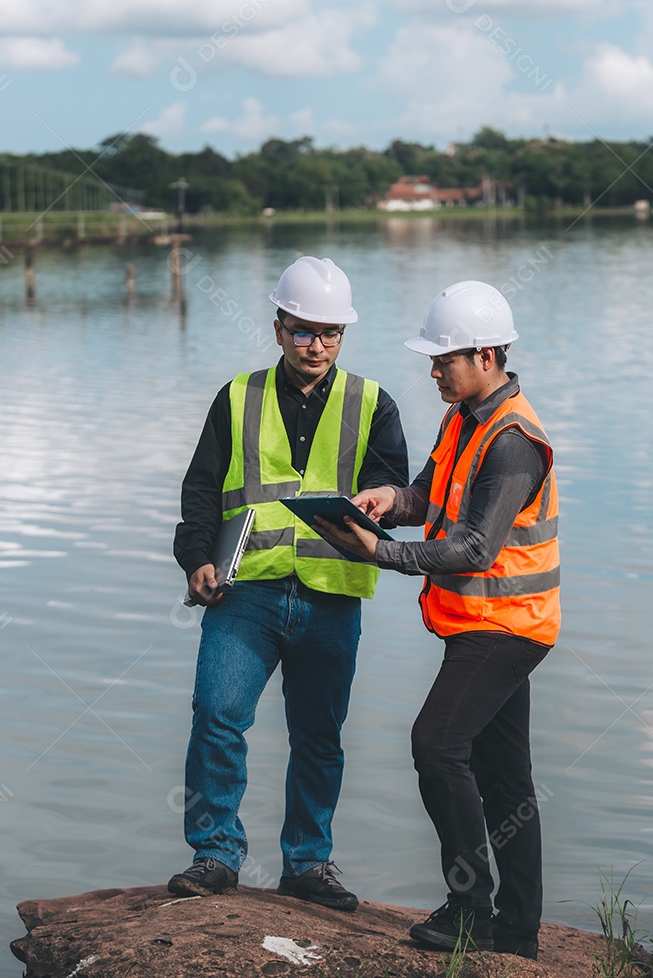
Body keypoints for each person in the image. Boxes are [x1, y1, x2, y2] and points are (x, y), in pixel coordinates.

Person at [317, 280, 560, 958]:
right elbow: (428, 494)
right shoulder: (465, 417)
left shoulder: (513, 441)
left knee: (436, 744)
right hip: (483, 622)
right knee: (504, 778)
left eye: (442, 359)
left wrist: (379, 552)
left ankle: (470, 910)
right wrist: (387, 500)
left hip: (507, 626)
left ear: (486, 356)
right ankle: (517, 934)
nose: (432, 371)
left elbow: (476, 548)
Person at [168, 255, 409, 911]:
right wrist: (196, 559)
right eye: (303, 330)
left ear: (343, 334)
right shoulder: (237, 397)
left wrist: (384, 498)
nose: (316, 345)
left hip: (332, 596)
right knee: (217, 716)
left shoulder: (373, 403)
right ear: (278, 329)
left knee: (319, 737)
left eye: (330, 333)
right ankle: (216, 855)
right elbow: (200, 493)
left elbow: (398, 492)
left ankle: (307, 864)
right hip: (244, 594)